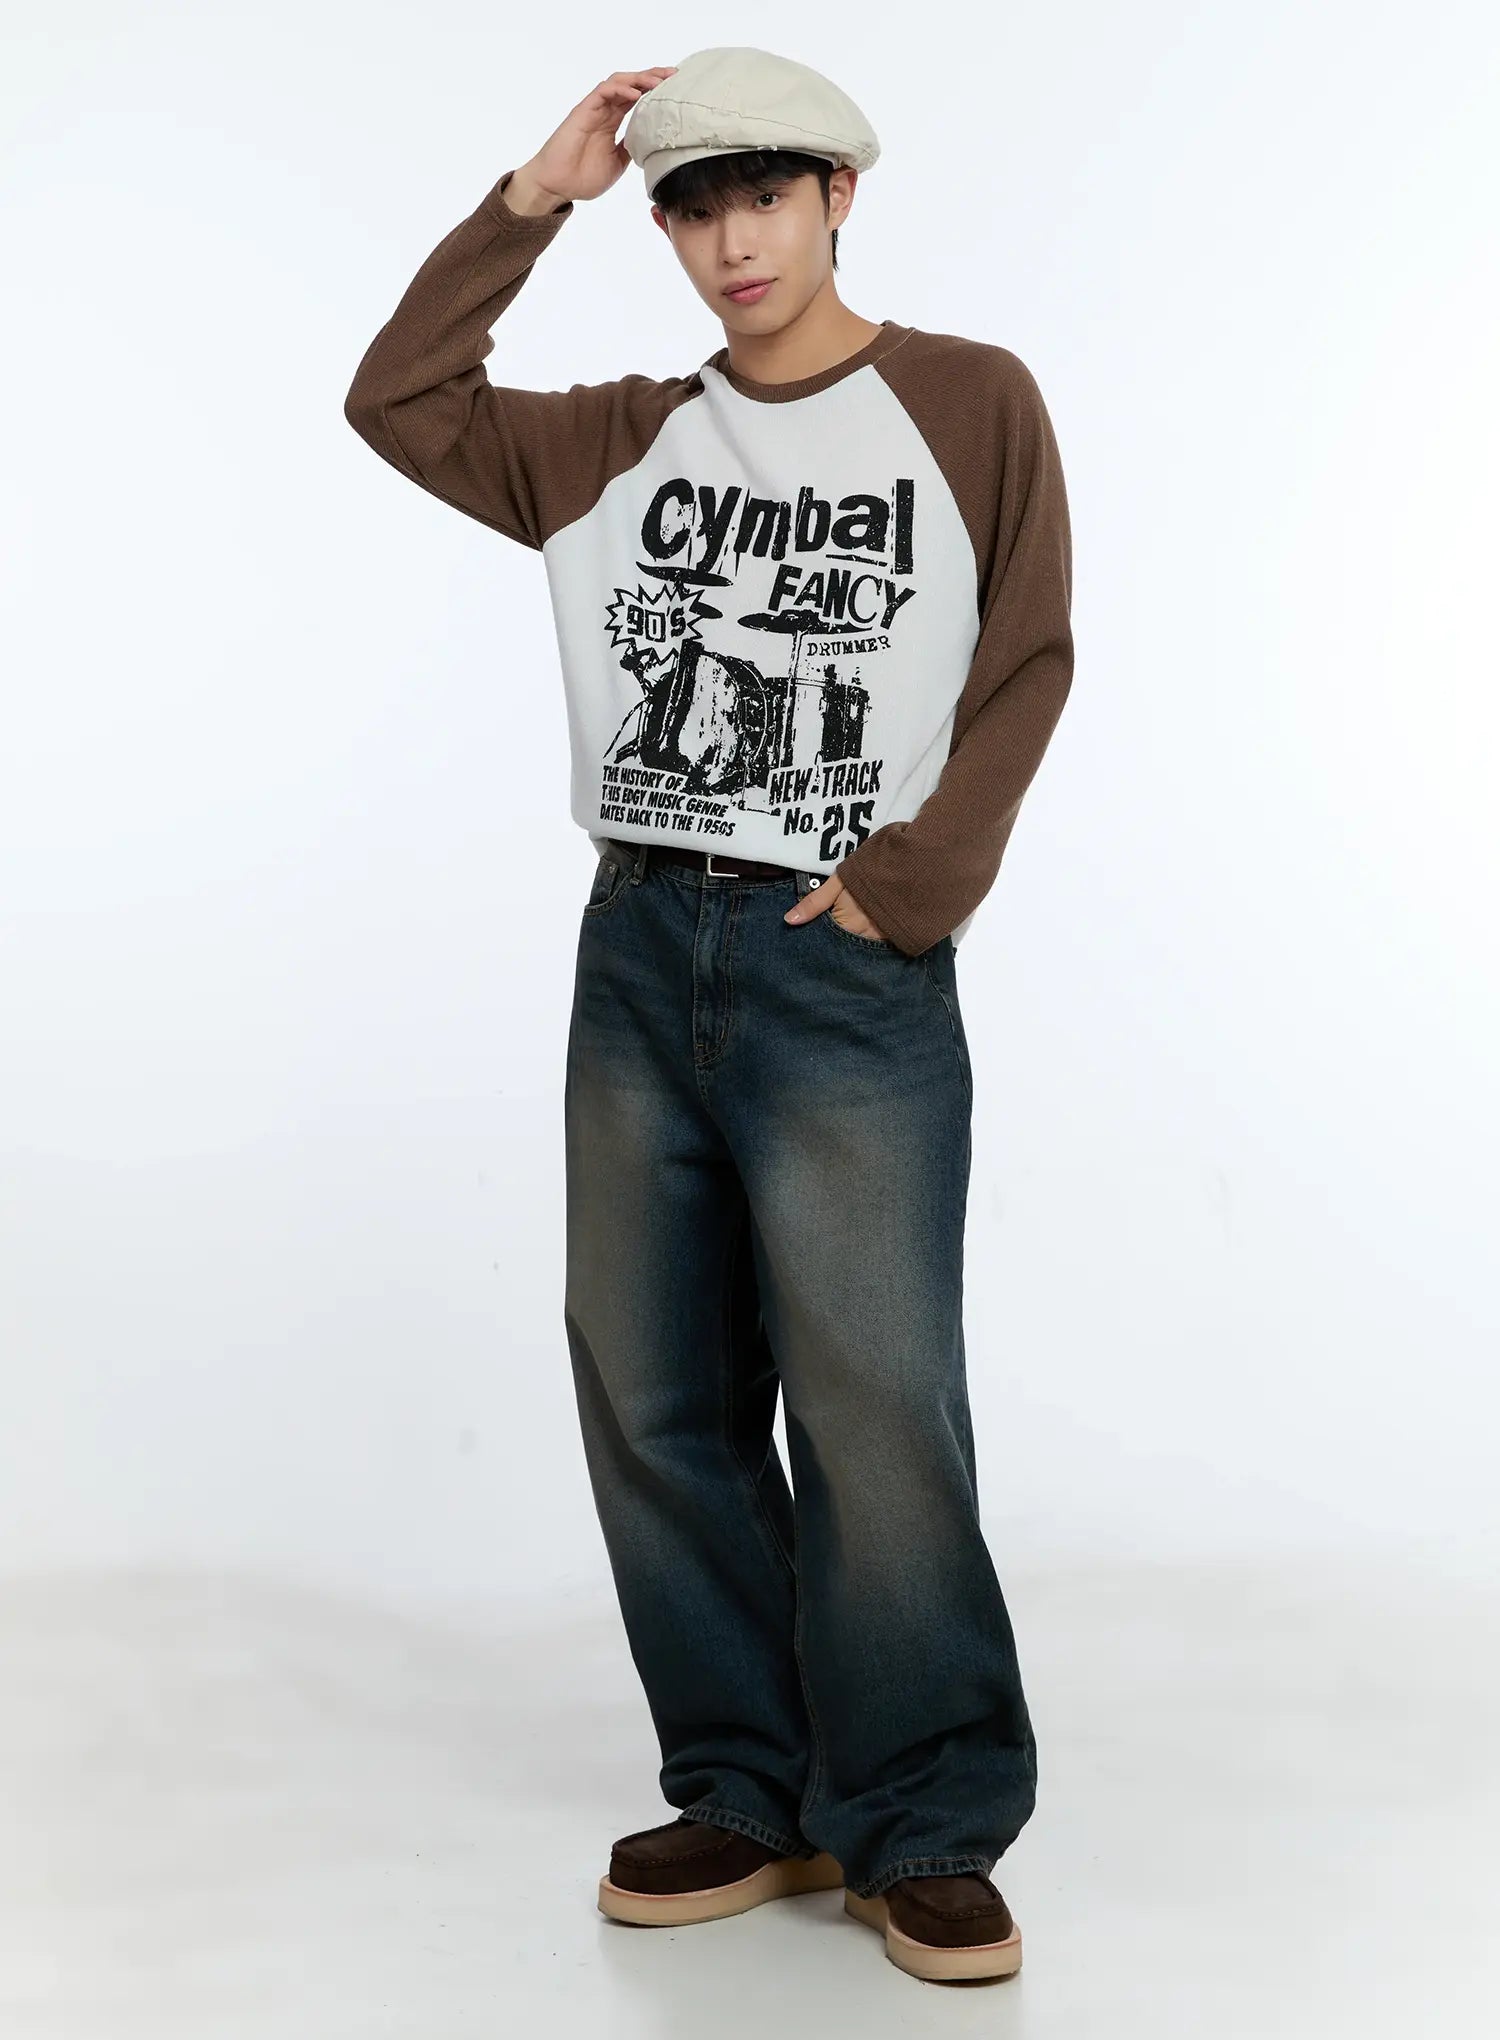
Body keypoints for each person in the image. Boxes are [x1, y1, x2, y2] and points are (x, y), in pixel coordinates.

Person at [344, 45, 1074, 1987]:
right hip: (640, 948)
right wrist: (537, 195)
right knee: (653, 1384)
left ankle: (924, 1819)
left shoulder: (967, 401)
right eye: (692, 207)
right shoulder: (616, 440)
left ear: (840, 197)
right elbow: (397, 401)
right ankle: (751, 1787)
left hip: (843, 959)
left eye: (764, 195)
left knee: (874, 1399)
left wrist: (912, 888)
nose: (732, 240)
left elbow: (1025, 655)